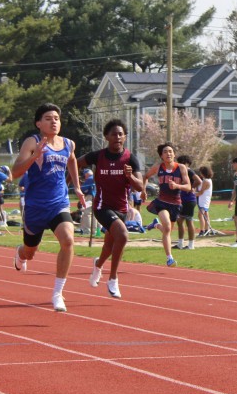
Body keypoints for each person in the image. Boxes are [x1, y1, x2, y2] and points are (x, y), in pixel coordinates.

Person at [11, 103, 86, 313]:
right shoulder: (32, 142)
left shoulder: (68, 143)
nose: (53, 121)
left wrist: (77, 187)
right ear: (38, 123)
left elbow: (72, 160)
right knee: (30, 252)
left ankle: (57, 293)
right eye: (48, 118)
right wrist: (34, 156)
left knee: (68, 240)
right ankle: (20, 253)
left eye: (56, 118)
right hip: (35, 206)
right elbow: (15, 172)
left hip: (58, 203)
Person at [77, 119, 143, 298]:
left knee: (109, 245)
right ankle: (113, 279)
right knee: (123, 235)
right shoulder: (98, 156)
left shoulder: (130, 159)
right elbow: (75, 162)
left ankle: (98, 265)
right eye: (114, 134)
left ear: (125, 137)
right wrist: (72, 183)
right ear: (106, 137)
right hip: (102, 206)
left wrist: (130, 177)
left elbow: (140, 187)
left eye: (121, 134)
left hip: (121, 209)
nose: (118, 137)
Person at [144, 142, 190, 266]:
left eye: (170, 151)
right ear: (161, 156)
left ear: (174, 154)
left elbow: (188, 187)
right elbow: (145, 176)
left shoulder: (181, 168)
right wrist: (143, 191)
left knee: (167, 230)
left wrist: (177, 186)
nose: (168, 153)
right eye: (165, 152)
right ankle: (169, 258)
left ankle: (156, 225)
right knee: (168, 227)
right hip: (162, 202)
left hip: (175, 204)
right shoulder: (158, 167)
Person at [196, 165, 214, 236]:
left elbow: (201, 192)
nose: (200, 174)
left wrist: (192, 194)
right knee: (206, 214)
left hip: (204, 199)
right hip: (205, 199)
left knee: (200, 215)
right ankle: (207, 230)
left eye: (201, 172)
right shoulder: (207, 180)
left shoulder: (206, 181)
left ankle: (202, 230)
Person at [79, 167, 96, 235]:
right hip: (97, 197)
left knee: (87, 213)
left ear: (87, 174)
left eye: (84, 175)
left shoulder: (89, 179)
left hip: (90, 197)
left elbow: (83, 189)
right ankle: (94, 231)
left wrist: (80, 184)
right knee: (94, 215)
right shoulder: (96, 177)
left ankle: (87, 230)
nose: (84, 177)